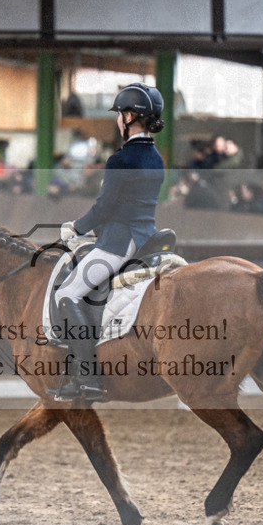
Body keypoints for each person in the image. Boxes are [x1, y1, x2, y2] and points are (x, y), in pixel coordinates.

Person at [52, 83, 166, 402]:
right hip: (144, 235)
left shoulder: (120, 159)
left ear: (129, 117)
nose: (118, 119)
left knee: (67, 294)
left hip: (119, 241)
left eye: (119, 114)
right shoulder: (156, 156)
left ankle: (88, 379)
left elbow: (104, 207)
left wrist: (76, 228)